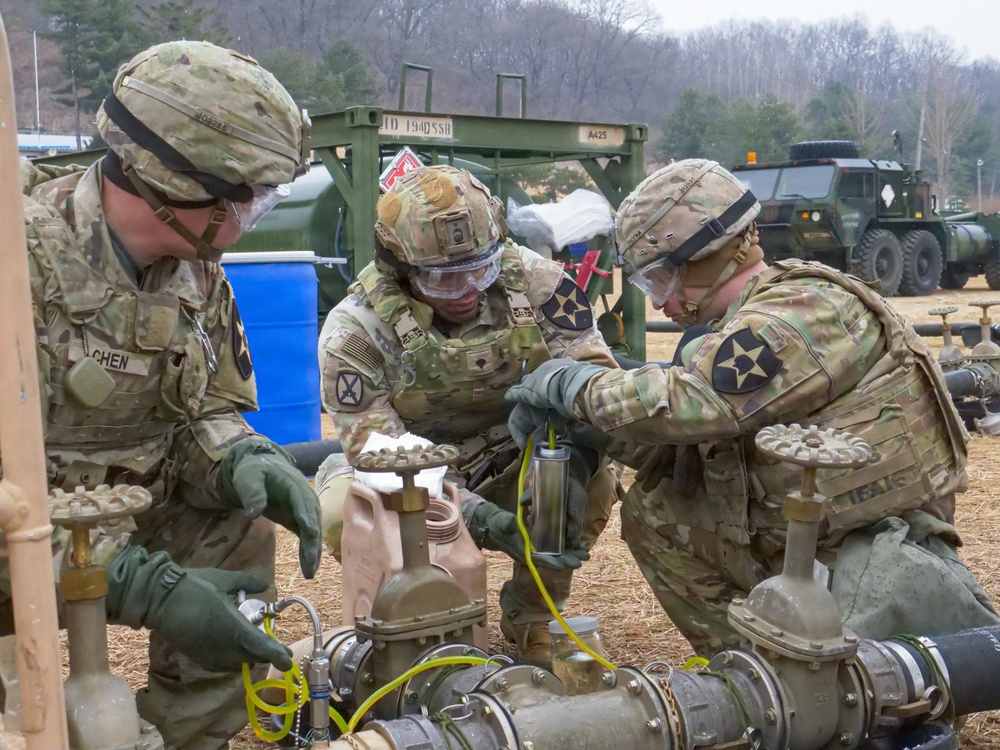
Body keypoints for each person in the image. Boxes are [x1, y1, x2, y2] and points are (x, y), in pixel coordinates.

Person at [505, 158, 1000, 658]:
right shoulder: (759, 313)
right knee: (657, 510)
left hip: (875, 551)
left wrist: (575, 385)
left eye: (659, 280)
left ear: (707, 257)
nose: (658, 305)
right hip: (814, 529)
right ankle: (757, 669)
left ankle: (791, 686)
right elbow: (693, 441)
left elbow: (690, 404)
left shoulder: (801, 310)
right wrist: (591, 420)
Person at [15, 41, 322, 750]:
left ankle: (191, 733)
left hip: (124, 516)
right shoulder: (16, 260)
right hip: (22, 535)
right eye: (248, 195)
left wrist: (242, 460)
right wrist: (133, 582)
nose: (255, 214)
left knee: (239, 520)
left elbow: (206, 409)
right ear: (172, 183)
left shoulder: (196, 270)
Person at [318, 165, 621, 667]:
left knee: (584, 483)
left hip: (516, 455)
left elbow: (595, 383)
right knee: (340, 515)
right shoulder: (356, 330)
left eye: (481, 269)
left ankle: (535, 615)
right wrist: (476, 516)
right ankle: (427, 621)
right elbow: (376, 447)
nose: (466, 290)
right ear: (401, 270)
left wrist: (573, 460)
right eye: (442, 277)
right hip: (415, 472)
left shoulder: (540, 284)